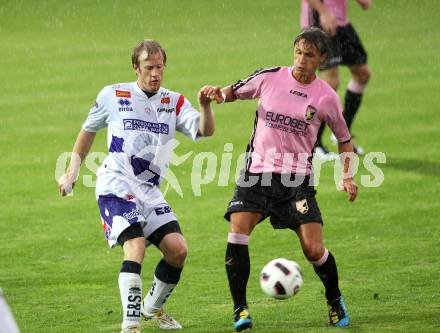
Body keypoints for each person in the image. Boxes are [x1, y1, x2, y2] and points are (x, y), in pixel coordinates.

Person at [201, 27, 358, 331]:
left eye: (309, 55)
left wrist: (347, 175)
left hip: (295, 182)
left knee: (313, 250)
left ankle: (334, 299)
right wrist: (215, 94)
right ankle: (240, 309)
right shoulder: (270, 77)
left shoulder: (326, 98)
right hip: (257, 173)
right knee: (237, 230)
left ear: (321, 60)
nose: (301, 60)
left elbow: (344, 138)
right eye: (298, 52)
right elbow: (232, 91)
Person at [58, 39, 216, 333]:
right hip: (115, 184)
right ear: (135, 68)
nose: (156, 73)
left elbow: (204, 130)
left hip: (148, 190)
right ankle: (130, 325)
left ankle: (151, 308)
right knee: (136, 245)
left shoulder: (174, 101)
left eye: (160, 67)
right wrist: (72, 171)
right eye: (149, 67)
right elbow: (88, 130)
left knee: (178, 251)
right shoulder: (113, 95)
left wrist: (206, 105)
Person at [300, 0, 372, 159]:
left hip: (340, 22)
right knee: (330, 82)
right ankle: (314, 144)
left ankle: (341, 135)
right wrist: (323, 11)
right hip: (320, 20)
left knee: (363, 74)